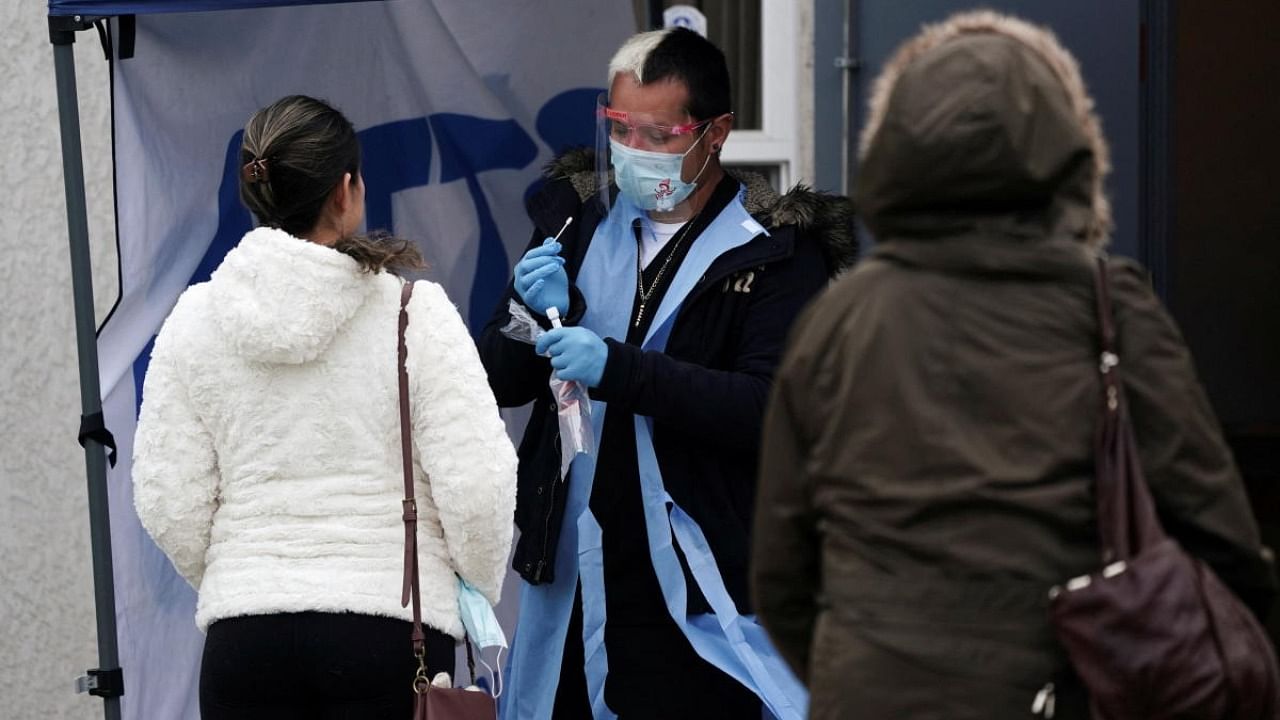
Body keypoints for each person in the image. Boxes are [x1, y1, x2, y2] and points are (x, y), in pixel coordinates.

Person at [751, 11, 1279, 720]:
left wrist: (862, 669)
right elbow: (1223, 547)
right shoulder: (1110, 308)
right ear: (1066, 153)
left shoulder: (837, 320)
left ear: (896, 153)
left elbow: (781, 572)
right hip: (1060, 689)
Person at [478, 27, 854, 720]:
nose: (634, 153)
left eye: (658, 134)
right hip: (574, 564)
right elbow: (499, 385)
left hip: (699, 582)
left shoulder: (774, 252)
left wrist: (620, 369)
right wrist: (522, 317)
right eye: (620, 129)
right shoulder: (578, 221)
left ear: (716, 133)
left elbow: (770, 409)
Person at [131, 95, 518, 719]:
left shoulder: (194, 320)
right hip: (391, 632)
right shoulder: (412, 314)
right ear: (347, 189)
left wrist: (244, 572)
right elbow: (480, 488)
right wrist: (470, 587)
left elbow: (165, 499)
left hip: (244, 638)